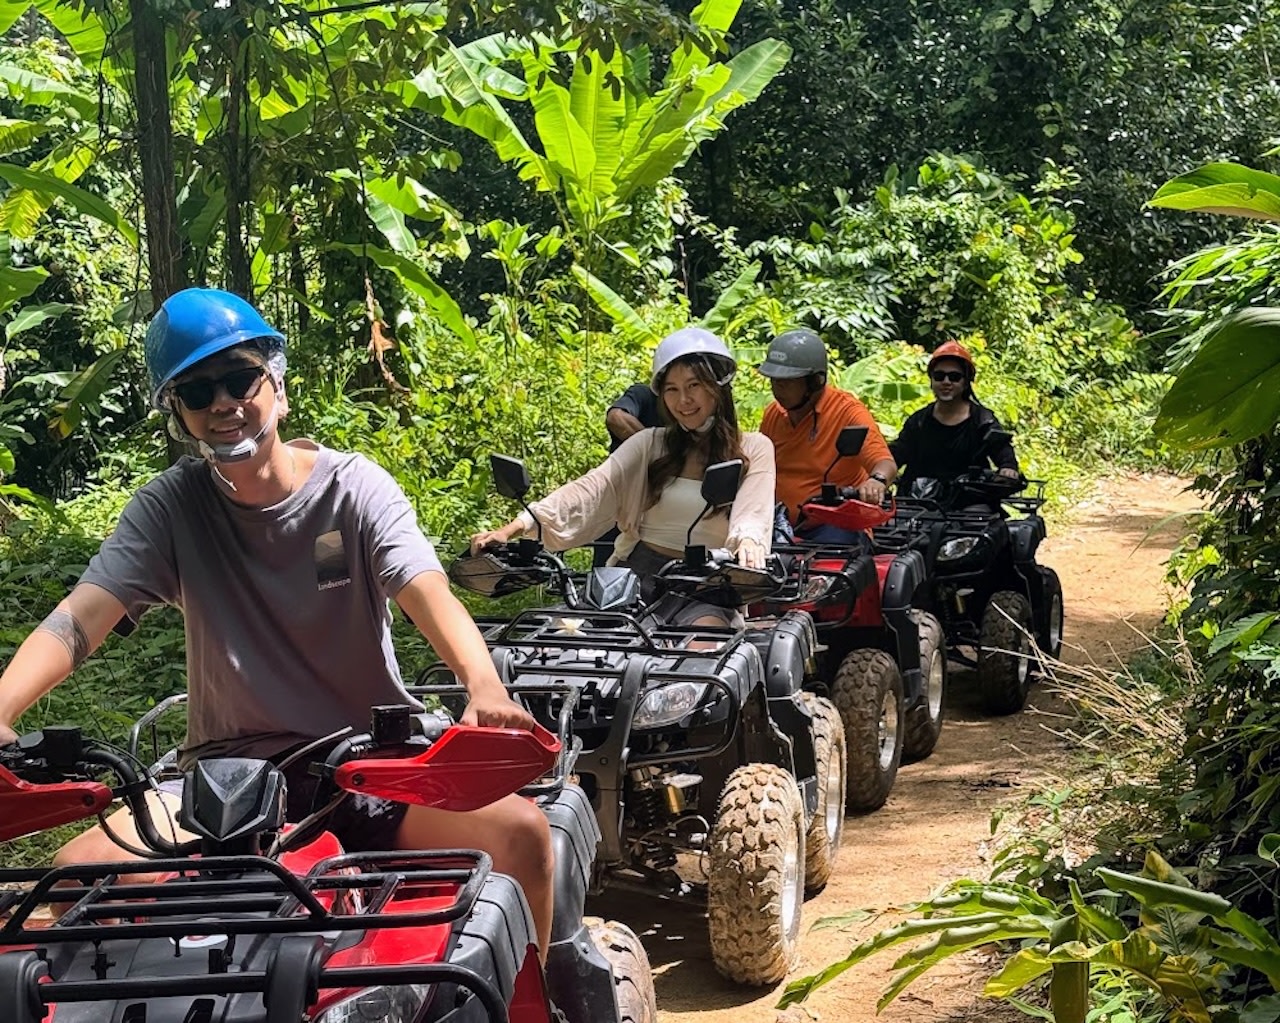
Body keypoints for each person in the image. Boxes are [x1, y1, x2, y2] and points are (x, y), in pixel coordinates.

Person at [0, 288, 555, 956]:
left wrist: (482, 683)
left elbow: (424, 588)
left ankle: (539, 991)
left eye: (240, 379)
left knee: (521, 834)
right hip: (225, 780)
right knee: (78, 876)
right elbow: (81, 617)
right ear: (179, 414)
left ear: (278, 387)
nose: (223, 403)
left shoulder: (353, 490)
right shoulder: (171, 508)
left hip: (367, 768)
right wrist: (3, 706)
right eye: (197, 391)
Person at [472, 327, 774, 627]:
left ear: (718, 386)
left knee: (701, 645)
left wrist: (748, 541)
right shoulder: (651, 444)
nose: (683, 399)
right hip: (636, 575)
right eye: (671, 389)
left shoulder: (752, 448)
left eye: (693, 385)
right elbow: (593, 487)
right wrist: (515, 527)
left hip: (707, 584)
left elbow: (753, 511)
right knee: (569, 641)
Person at [758, 327, 897, 547]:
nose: (778, 388)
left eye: (787, 381)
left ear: (815, 381)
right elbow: (757, 468)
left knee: (838, 546)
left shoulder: (847, 411)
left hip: (835, 525)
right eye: (774, 380)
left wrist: (876, 481)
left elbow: (884, 462)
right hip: (779, 525)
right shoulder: (773, 415)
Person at [889, 340, 1020, 498]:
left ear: (966, 382)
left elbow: (1001, 449)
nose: (946, 382)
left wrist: (1008, 468)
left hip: (969, 500)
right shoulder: (918, 421)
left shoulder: (983, 420)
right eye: (939, 376)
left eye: (954, 377)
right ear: (931, 380)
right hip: (919, 500)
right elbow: (897, 454)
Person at [592, 380, 664, 566]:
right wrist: (652, 448)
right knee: (607, 571)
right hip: (619, 508)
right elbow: (616, 418)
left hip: (659, 517)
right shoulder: (644, 395)